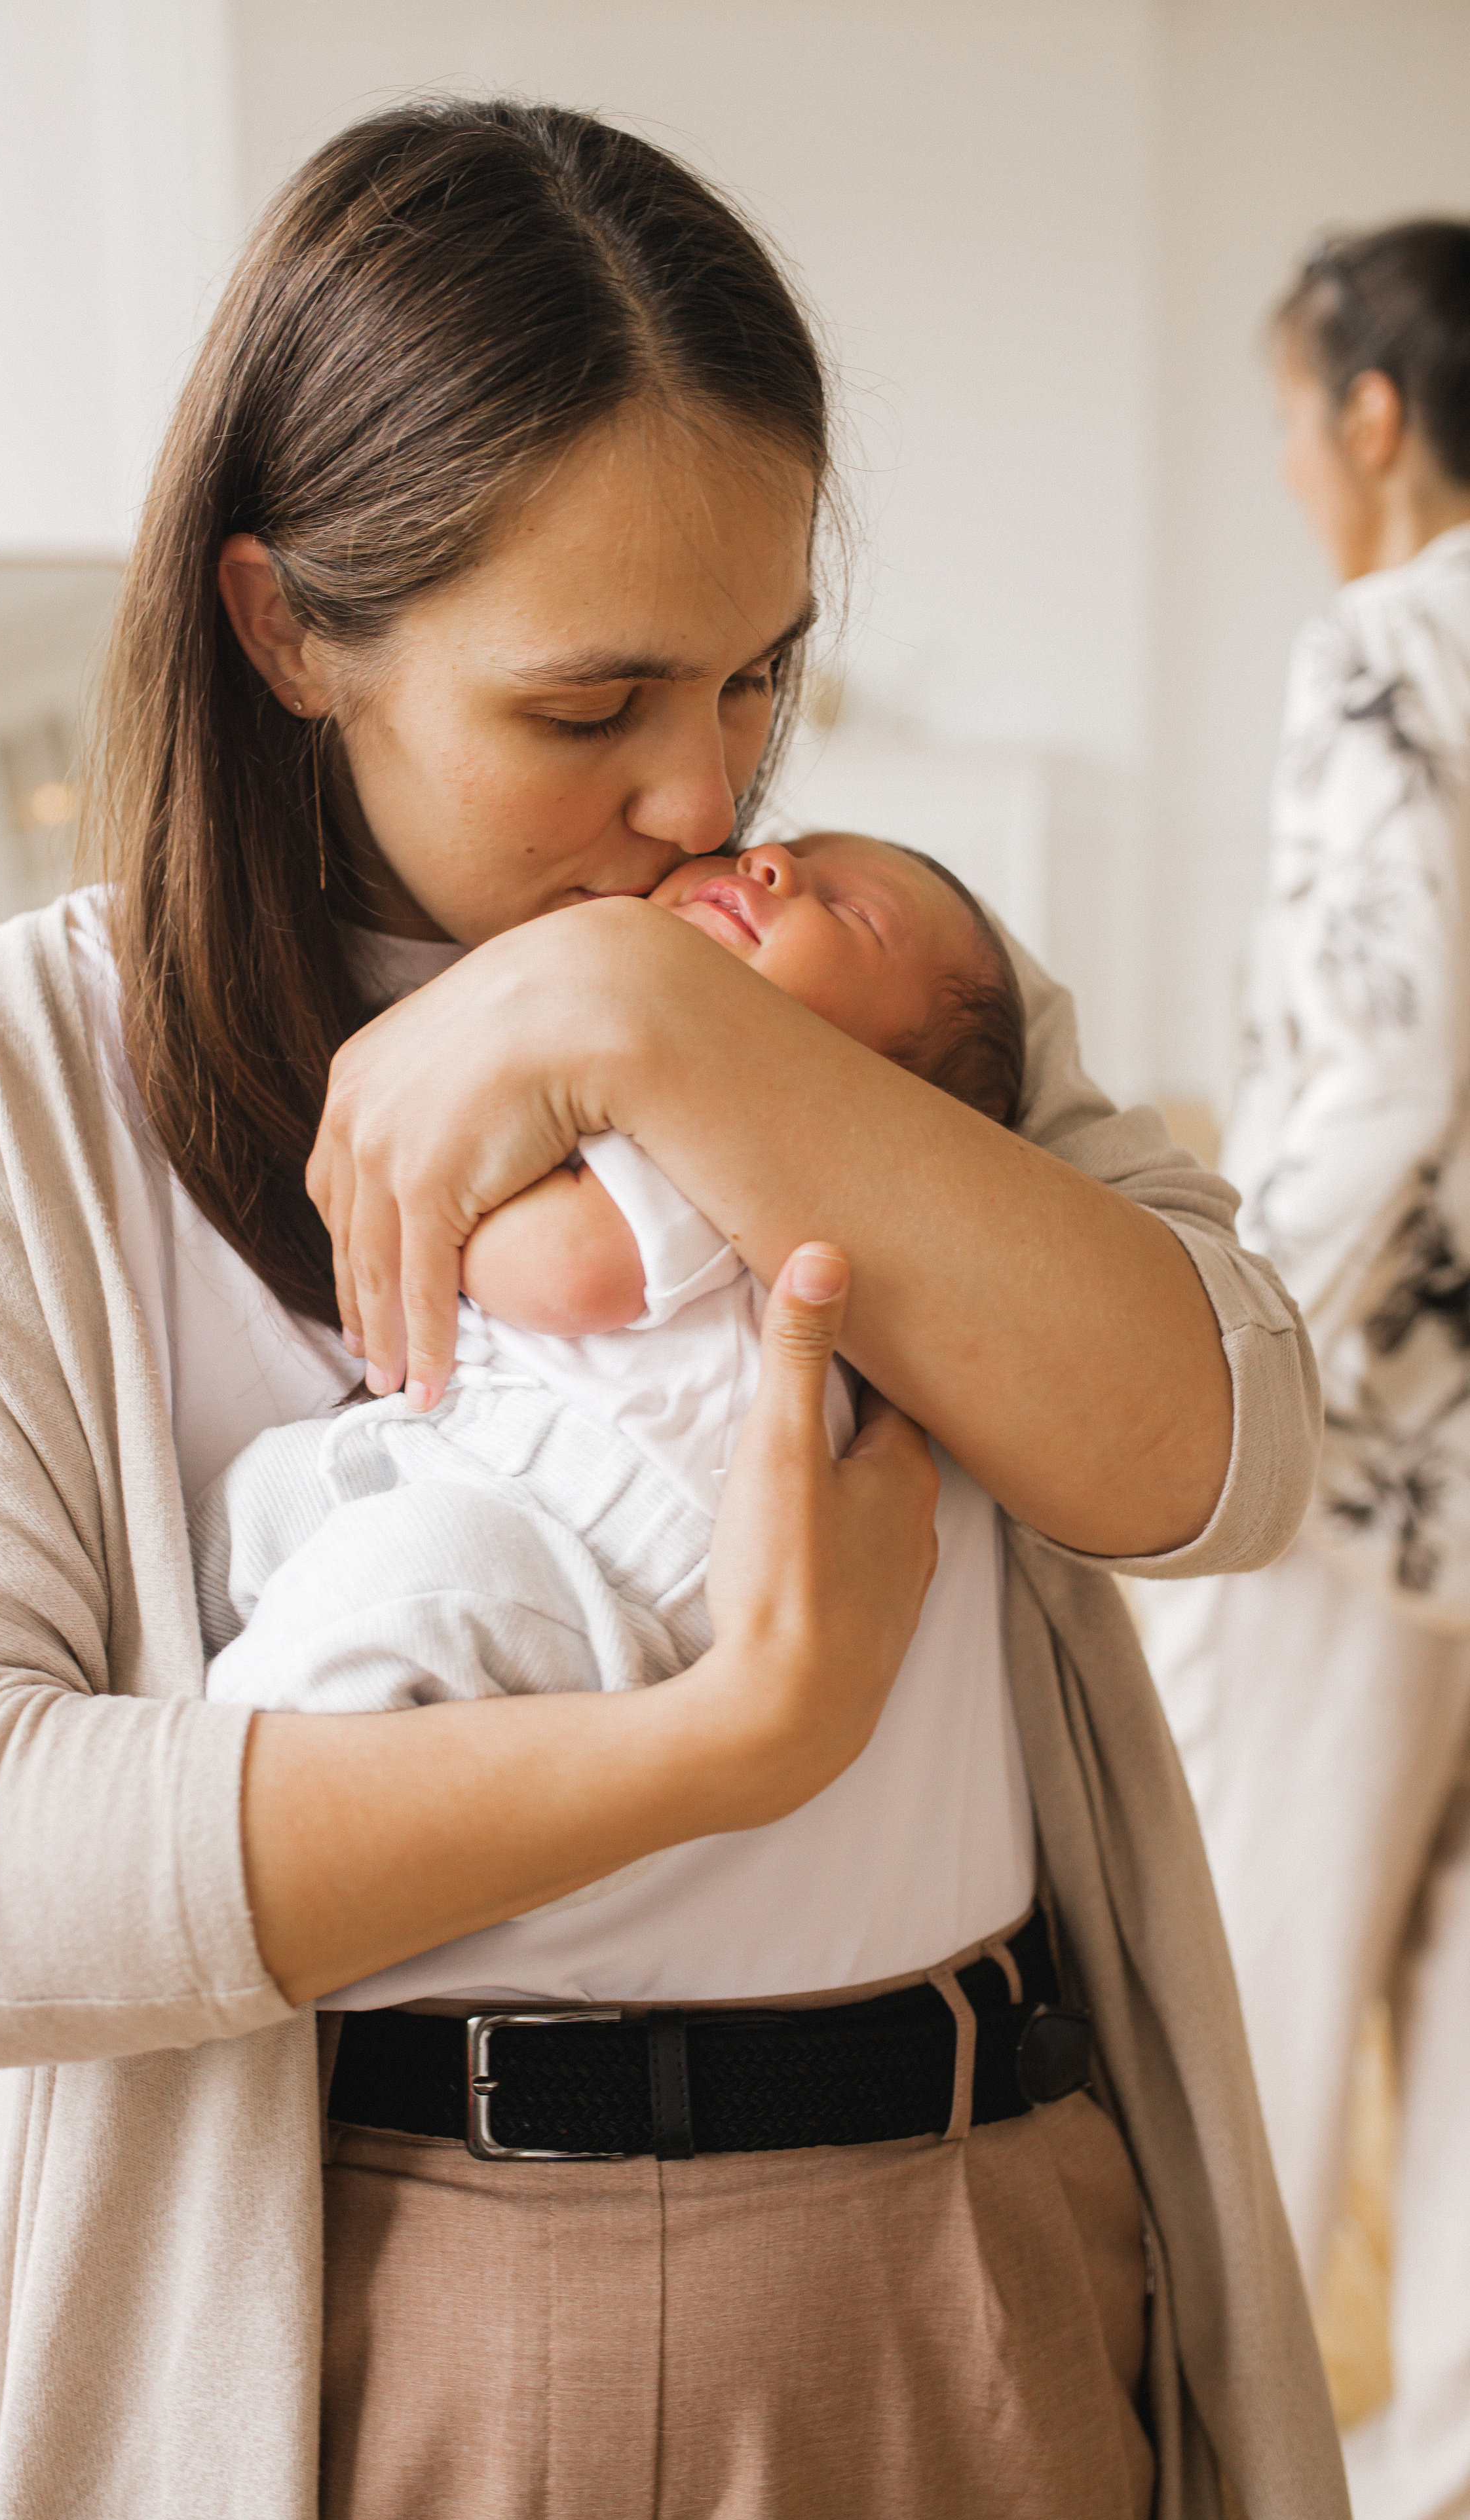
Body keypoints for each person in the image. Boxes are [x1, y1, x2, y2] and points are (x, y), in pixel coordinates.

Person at [0, 102, 1342, 2520]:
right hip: (411, 2315)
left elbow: (1227, 1459)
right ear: (288, 626)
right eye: (591, 704)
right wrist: (726, 1745)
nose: (707, 795)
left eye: (761, 677)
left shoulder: (851, 971)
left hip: (991, 2238)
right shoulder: (9, 1076)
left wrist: (651, 1020)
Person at [197, 831, 1021, 1743]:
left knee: (398, 1589)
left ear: (882, 1086)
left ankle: (250, 1784)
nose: (773, 869)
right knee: (256, 1506)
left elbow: (565, 1268)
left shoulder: (736, 1149)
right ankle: (178, 1707)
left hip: (590, 1545)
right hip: (488, 1469)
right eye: (771, 855)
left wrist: (440, 1187)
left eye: (855, 915)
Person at [1143, 219, 1470, 2520]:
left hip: (1371, 1431)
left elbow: (1380, 1052)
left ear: (1373, 409)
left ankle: (1226, 2459)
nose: (1286, 462)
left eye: (1286, 414)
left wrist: (1218, 1354)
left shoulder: (1391, 641)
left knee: (1253, 1963)